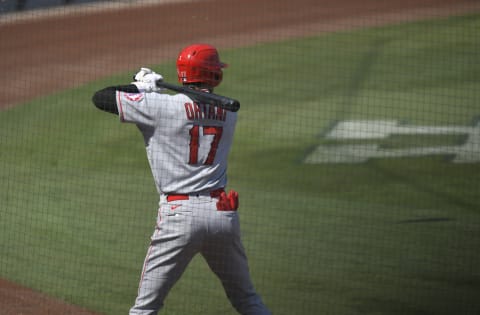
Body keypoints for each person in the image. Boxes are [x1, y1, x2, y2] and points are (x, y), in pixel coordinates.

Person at [92, 43, 271, 315]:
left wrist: (140, 88)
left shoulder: (159, 106)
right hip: (221, 213)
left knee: (145, 308)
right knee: (247, 300)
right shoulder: (228, 112)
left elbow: (101, 97)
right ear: (215, 75)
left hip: (180, 216)